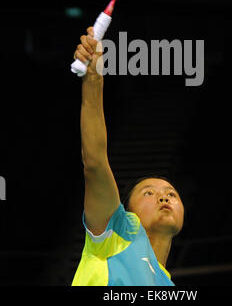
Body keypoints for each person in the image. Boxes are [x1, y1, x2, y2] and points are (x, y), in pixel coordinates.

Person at [71, 27, 185, 286]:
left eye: (172, 194)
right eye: (148, 193)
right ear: (125, 211)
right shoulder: (116, 234)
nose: (164, 196)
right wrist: (93, 80)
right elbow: (95, 163)